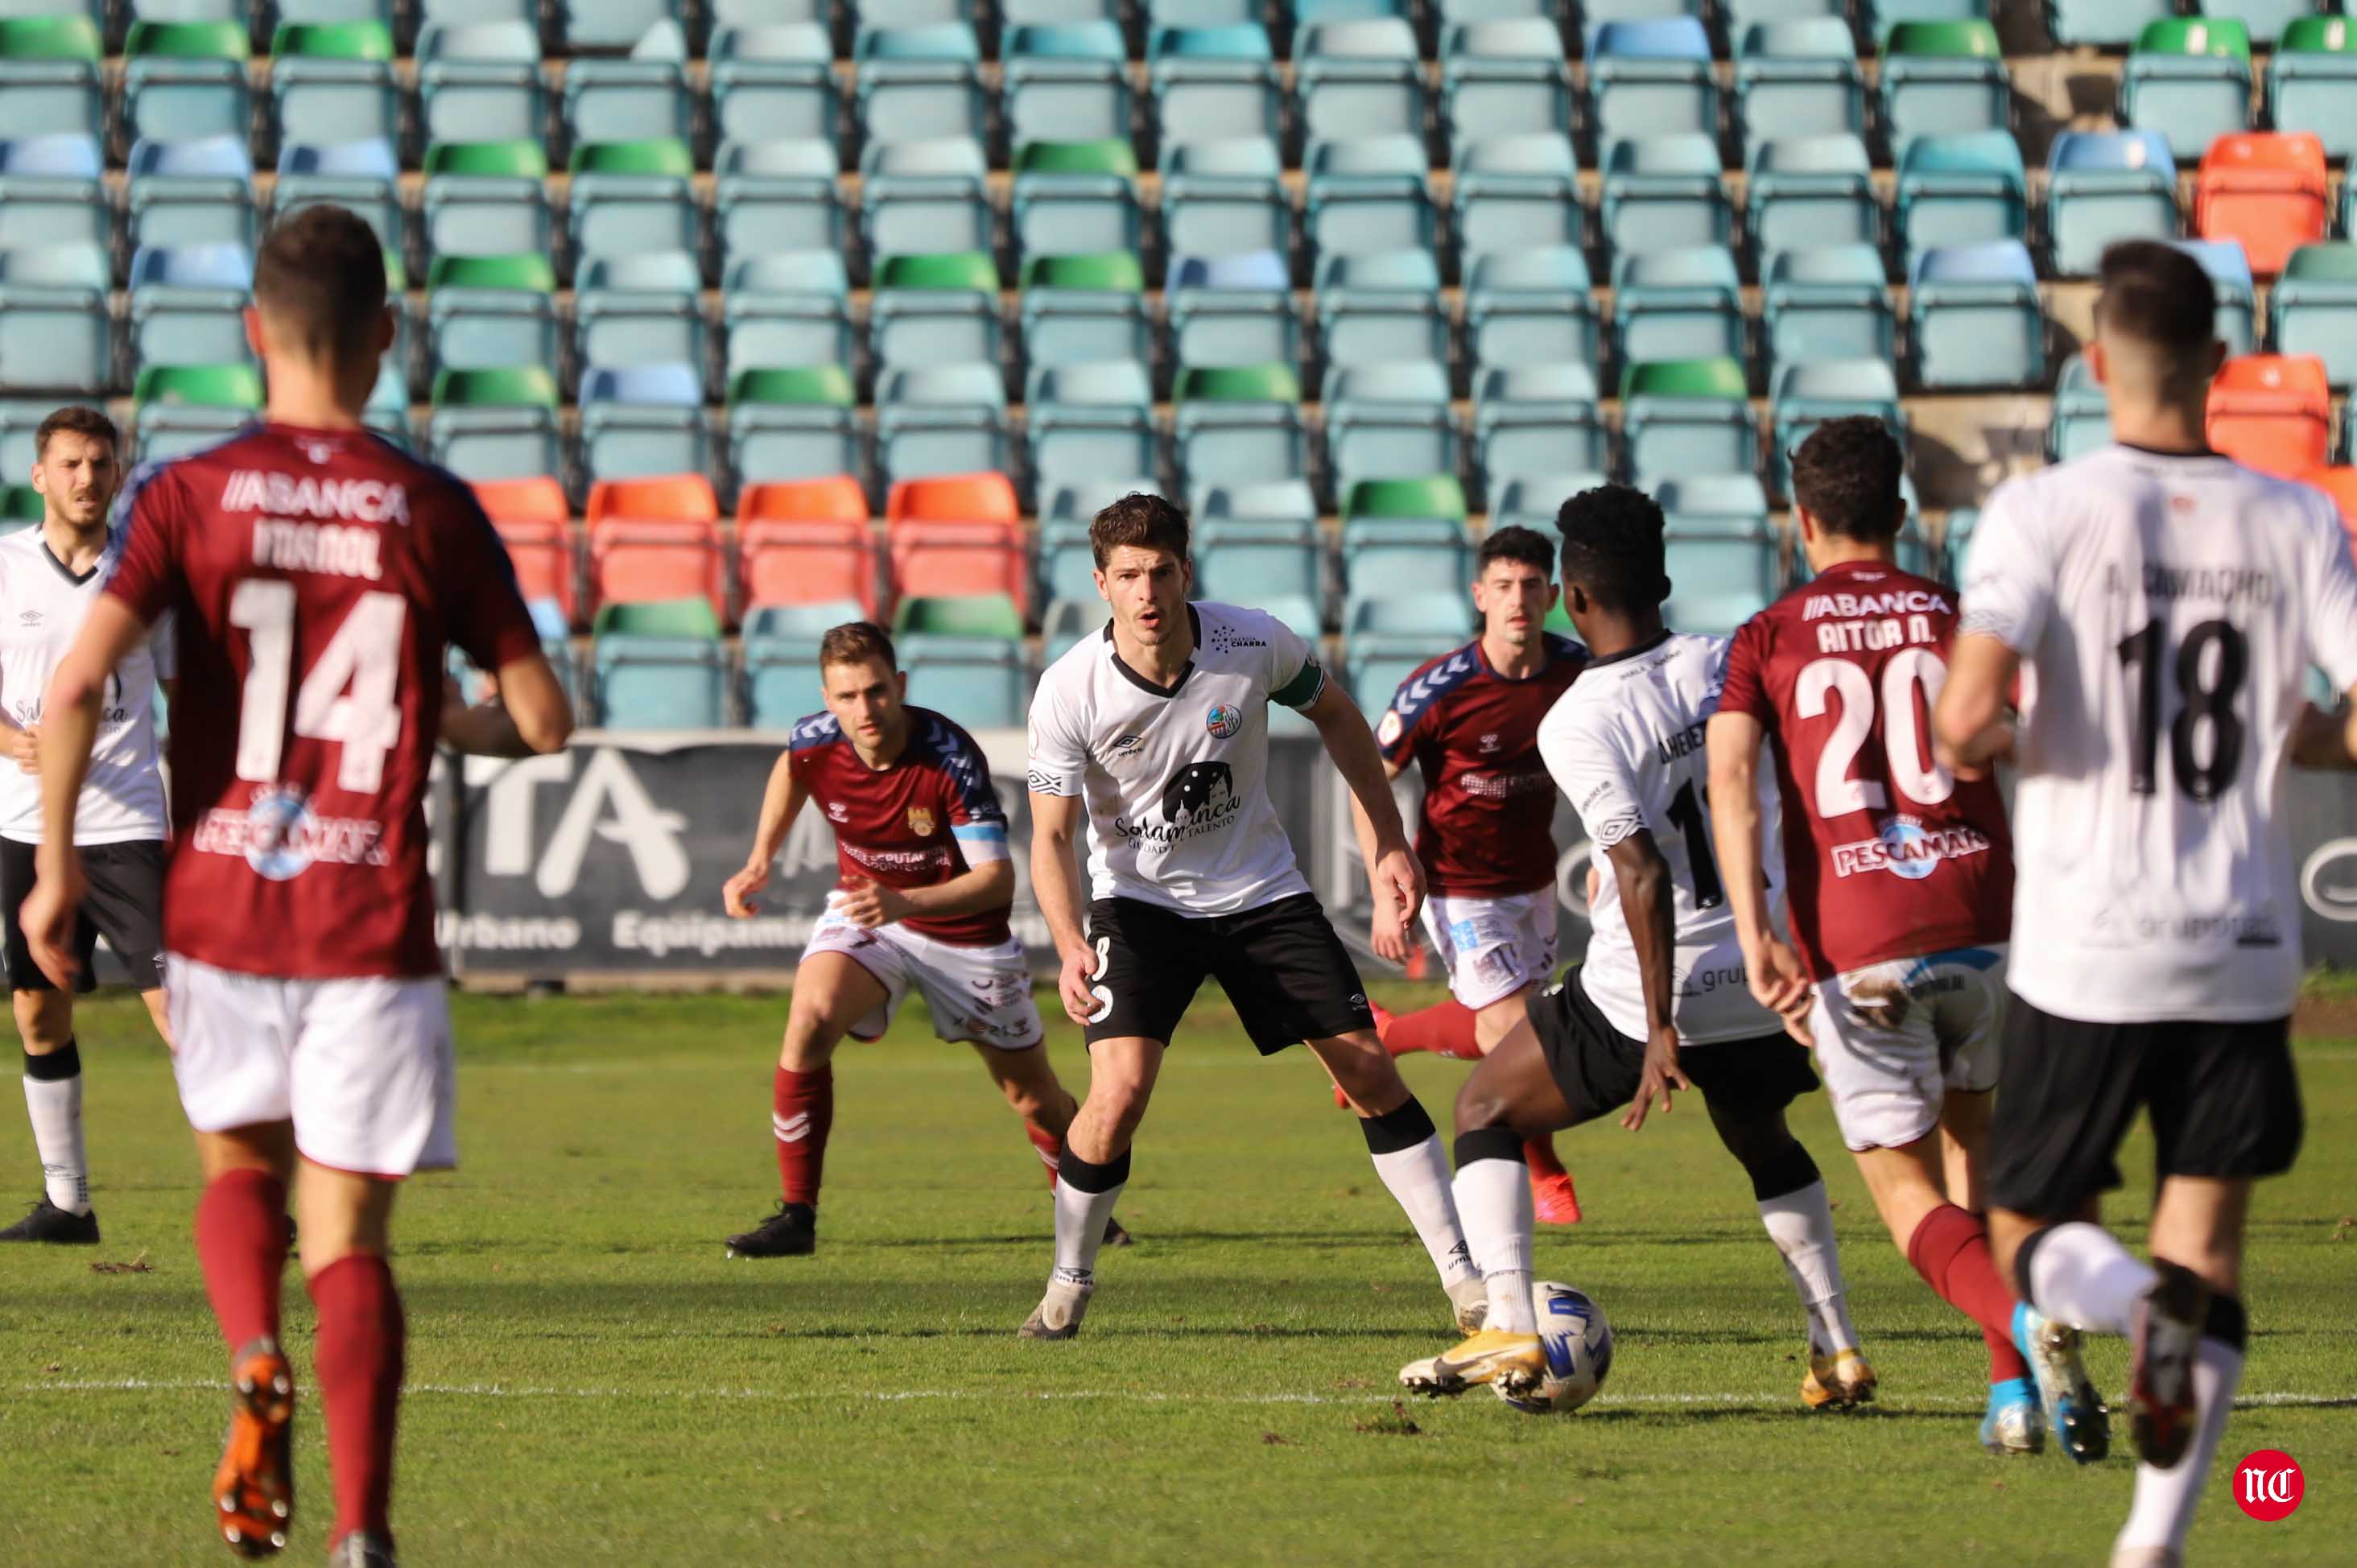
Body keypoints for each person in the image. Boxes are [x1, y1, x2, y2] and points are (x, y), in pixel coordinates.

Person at [21, 204, 574, 1568]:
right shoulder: (429, 505)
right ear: (386, 336)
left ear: (254, 333)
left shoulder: (188, 497)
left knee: (237, 1168)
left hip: (221, 905)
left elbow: (80, 682)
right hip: (370, 920)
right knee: (349, 1235)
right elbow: (545, 719)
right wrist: (437, 716)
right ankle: (360, 1529)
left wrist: (49, 869)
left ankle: (253, 1354)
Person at [1934, 239, 2357, 1568]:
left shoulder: (2042, 510)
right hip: (2237, 945)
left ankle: (2125, 1309)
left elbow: (1957, 722)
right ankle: (2150, 1543)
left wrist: (2002, 737)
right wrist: (2309, 744)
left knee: (2024, 1226)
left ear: (2095, 359)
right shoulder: (2295, 519)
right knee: (2205, 1236)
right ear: (2219, 364)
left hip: (2085, 940)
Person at [1399, 485, 1871, 1411]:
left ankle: (1511, 1323)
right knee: (1761, 1138)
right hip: (1764, 975)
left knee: (1485, 1102)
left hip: (1652, 990)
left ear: (1573, 598)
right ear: (1662, 578)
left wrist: (1658, 1031)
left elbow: (1645, 869)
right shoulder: (1736, 660)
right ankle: (1838, 1347)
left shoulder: (1575, 716)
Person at [1705, 416, 2091, 1459]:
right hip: (1985, 918)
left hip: (1860, 937)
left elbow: (1731, 782)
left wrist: (1758, 928)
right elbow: (2042, 732)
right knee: (1981, 1149)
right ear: (1905, 515)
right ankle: (2013, 1394)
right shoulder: (1958, 614)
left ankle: (2021, 1329)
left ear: (1803, 519)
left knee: (1905, 1186)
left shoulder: (1767, 635)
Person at [1020, 493, 1479, 1339]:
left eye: (1161, 571)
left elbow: (1340, 717)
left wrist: (1386, 845)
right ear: (1101, 583)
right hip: (1139, 905)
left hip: (1261, 892)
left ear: (1185, 572)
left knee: (1369, 1073)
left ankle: (1464, 1279)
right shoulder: (1069, 691)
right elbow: (1048, 835)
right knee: (1116, 1096)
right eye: (1128, 576)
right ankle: (1067, 1285)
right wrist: (1067, 941)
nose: (1147, 591)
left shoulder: (1254, 641)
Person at [718, 621, 1127, 1257]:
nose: (865, 709)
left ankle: (1083, 1198)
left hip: (966, 937)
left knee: (1033, 1098)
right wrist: (759, 859)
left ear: (900, 686)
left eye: (877, 692)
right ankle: (798, 1217)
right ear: (827, 700)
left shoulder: (949, 757)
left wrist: (903, 900)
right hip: (869, 915)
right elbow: (790, 768)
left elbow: (997, 881)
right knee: (809, 1021)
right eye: (847, 697)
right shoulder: (814, 740)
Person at [1355, 525, 1587, 1224]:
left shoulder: (1580, 671)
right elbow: (1368, 777)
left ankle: (1386, 1035)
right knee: (1519, 1032)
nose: (1518, 601)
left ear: (1550, 595)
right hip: (1456, 885)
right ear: (1479, 596)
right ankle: (1545, 1174)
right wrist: (1381, 883)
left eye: (1531, 587)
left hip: (1535, 881)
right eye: (1504, 587)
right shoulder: (1438, 690)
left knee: (1513, 1029)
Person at [0, 407, 172, 1244]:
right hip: (23, 825)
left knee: (185, 1014)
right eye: (69, 463)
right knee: (39, 1015)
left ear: (117, 472)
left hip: (125, 821)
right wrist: (12, 739)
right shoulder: (3, 567)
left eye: (100, 463)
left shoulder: (142, 571)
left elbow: (189, 684)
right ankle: (68, 1205)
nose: (85, 477)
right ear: (39, 476)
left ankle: (265, 1199)